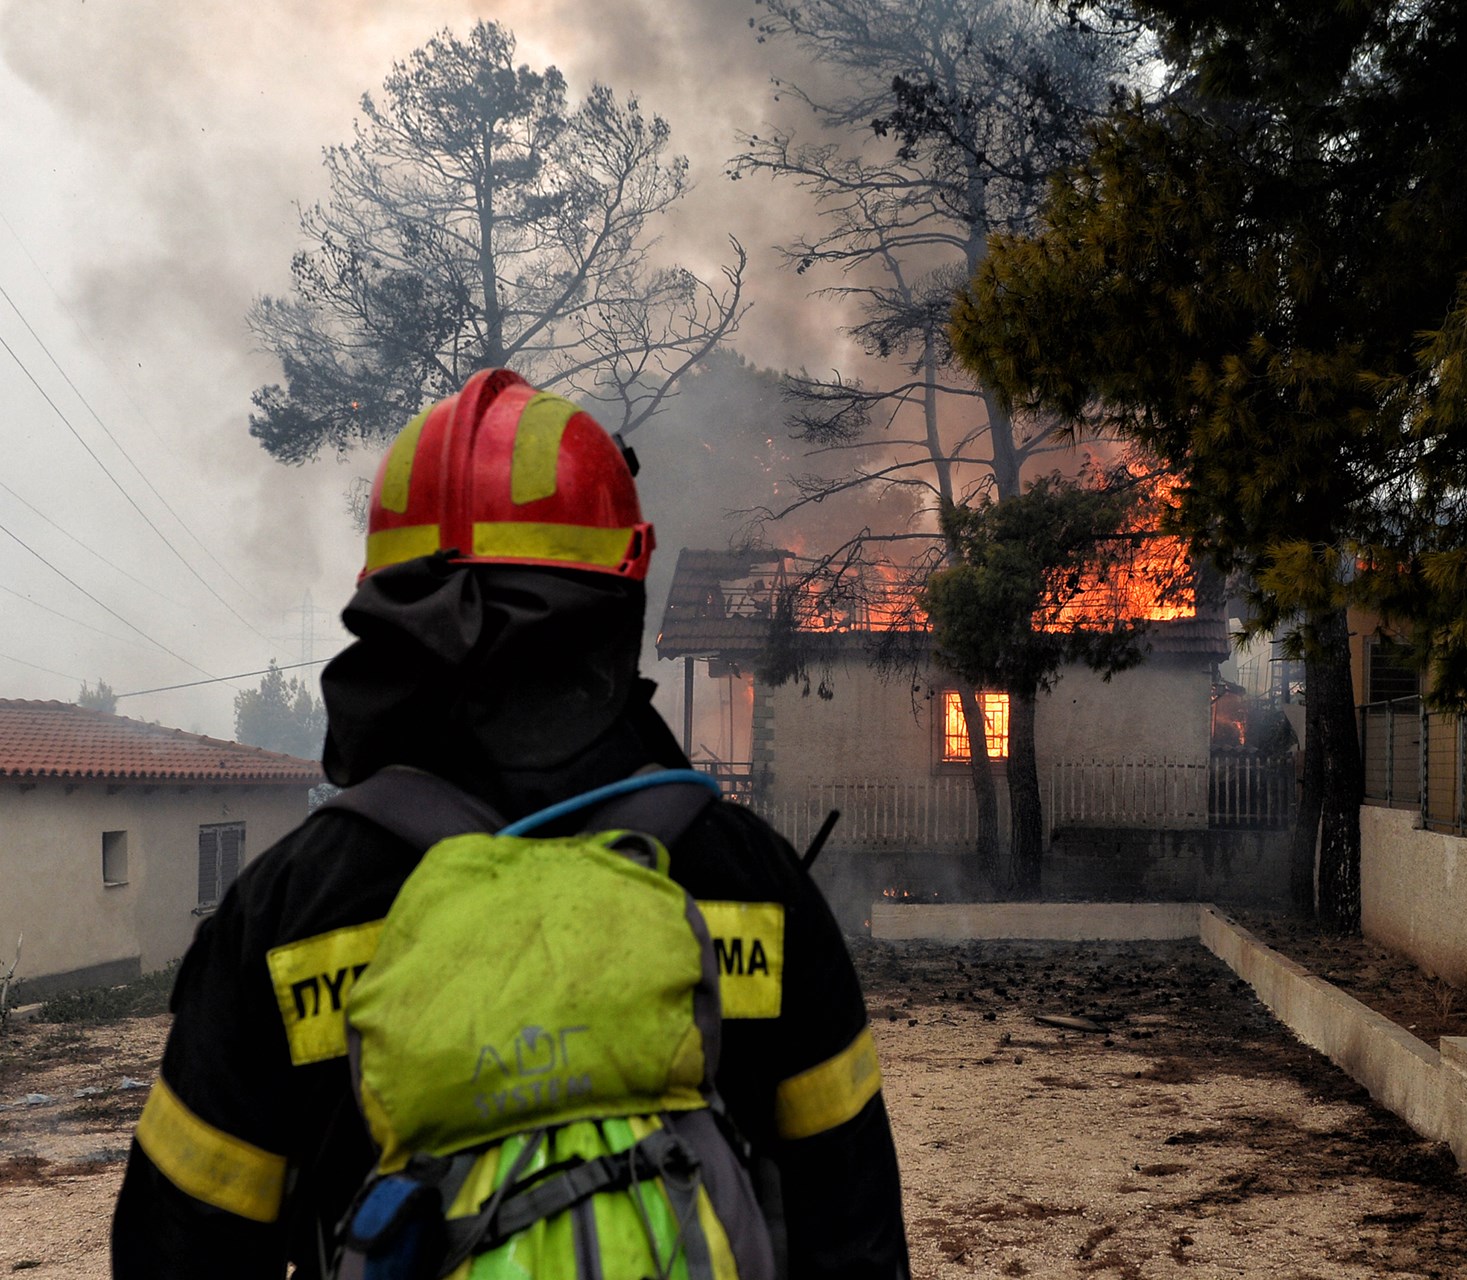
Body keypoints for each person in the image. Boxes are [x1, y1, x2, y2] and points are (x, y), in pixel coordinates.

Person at [111, 369, 911, 1279]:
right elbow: (855, 1235)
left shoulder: (287, 911)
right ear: (620, 599)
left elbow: (177, 1251)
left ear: (389, 607)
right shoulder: (755, 885)